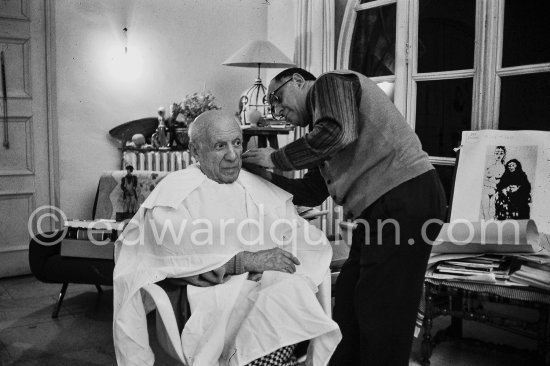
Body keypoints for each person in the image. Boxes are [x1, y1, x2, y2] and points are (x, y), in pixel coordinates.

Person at [242, 68, 447, 366]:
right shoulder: (321, 134)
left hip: (404, 196)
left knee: (383, 312)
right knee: (350, 303)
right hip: (380, 210)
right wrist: (262, 177)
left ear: (299, 82)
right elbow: (311, 192)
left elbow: (338, 133)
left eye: (277, 97)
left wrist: (273, 158)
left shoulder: (331, 84)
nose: (275, 109)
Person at [113, 110, 341, 366]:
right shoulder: (176, 192)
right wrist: (244, 263)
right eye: (220, 146)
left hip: (262, 283)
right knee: (281, 300)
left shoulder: (253, 182)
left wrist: (278, 266)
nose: (233, 156)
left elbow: (297, 233)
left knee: (293, 289)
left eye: (236, 143)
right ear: (195, 151)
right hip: (206, 295)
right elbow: (172, 258)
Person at [481, 146, 506, 220]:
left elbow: (503, 182)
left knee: (493, 211)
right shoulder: (489, 167)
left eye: (501, 153)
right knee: (485, 211)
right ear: (494, 154)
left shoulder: (504, 168)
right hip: (486, 190)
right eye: (497, 153)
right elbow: (484, 180)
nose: (499, 155)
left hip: (496, 191)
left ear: (504, 155)